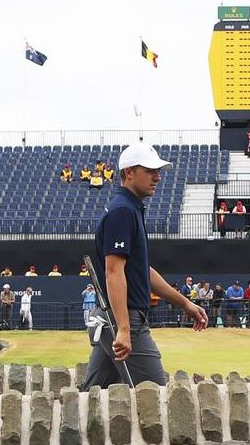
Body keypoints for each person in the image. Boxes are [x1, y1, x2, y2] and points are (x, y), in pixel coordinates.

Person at [81, 143, 207, 389]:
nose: (157, 177)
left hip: (114, 319)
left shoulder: (130, 210)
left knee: (93, 395)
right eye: (150, 170)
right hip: (123, 319)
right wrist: (125, 328)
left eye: (158, 171)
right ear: (129, 173)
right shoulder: (123, 212)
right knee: (155, 396)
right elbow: (113, 271)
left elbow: (143, 272)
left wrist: (186, 304)